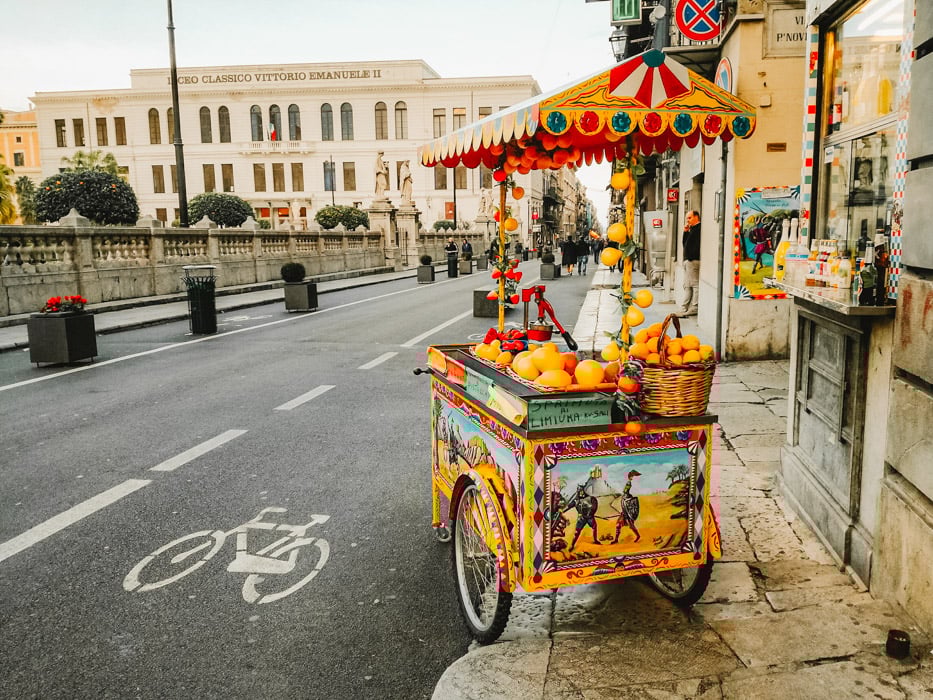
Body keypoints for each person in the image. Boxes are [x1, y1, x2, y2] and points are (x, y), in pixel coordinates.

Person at [680, 210, 701, 316]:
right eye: (687, 218)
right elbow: (685, 244)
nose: (687, 220)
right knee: (687, 285)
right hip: (688, 260)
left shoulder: (699, 229)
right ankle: (684, 307)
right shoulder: (692, 229)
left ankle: (695, 307)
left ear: (696, 217)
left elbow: (697, 245)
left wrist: (691, 257)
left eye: (689, 218)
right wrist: (685, 232)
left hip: (693, 260)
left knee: (695, 284)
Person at [612, 471, 641, 544]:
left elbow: (628, 506)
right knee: (618, 525)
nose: (625, 489)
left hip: (628, 515)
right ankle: (616, 540)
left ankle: (638, 536)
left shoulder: (628, 497)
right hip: (624, 514)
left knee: (631, 526)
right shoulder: (624, 497)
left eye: (626, 488)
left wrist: (629, 480)